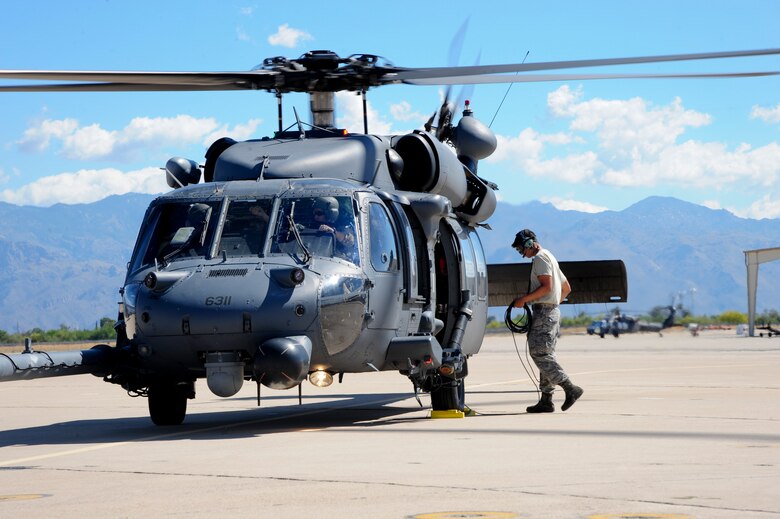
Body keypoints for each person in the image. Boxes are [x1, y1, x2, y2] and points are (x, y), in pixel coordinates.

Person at [511, 229, 583, 413]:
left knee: (539, 353)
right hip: (551, 312)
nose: (522, 254)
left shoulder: (540, 258)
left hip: (544, 312)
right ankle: (546, 400)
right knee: (546, 353)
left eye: (521, 249)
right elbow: (566, 288)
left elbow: (547, 286)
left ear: (529, 243)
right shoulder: (550, 256)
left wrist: (524, 300)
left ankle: (570, 388)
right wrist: (552, 304)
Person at [310, 197, 357, 263]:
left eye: (319, 213)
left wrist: (333, 232)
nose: (315, 216)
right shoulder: (312, 224)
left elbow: (350, 241)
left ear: (330, 213)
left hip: (335, 262)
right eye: (314, 213)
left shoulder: (342, 226)